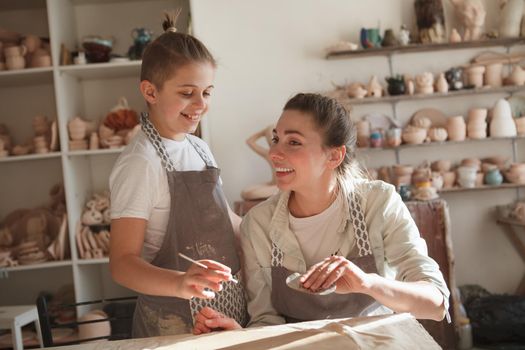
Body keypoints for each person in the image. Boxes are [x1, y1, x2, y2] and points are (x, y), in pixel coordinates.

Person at [192, 93, 450, 334]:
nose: (274, 153)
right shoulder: (258, 224)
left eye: (293, 142)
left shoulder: (378, 203)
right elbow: (265, 320)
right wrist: (240, 337)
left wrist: (367, 283)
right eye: (276, 139)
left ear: (334, 156)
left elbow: (435, 303)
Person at [109, 11, 248, 338]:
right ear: (150, 91)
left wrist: (281, 231)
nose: (200, 104)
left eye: (208, 92)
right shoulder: (140, 163)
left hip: (224, 310)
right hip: (171, 324)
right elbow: (122, 263)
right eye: (187, 93)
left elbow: (227, 222)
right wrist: (179, 282)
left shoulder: (200, 148)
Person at [240, 124, 279, 200]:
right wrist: (265, 131)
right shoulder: (268, 153)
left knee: (250, 194)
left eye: (273, 137)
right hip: (272, 184)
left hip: (279, 187)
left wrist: (268, 131)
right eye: (268, 136)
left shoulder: (286, 153)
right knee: (245, 192)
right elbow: (249, 141)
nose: (270, 138)